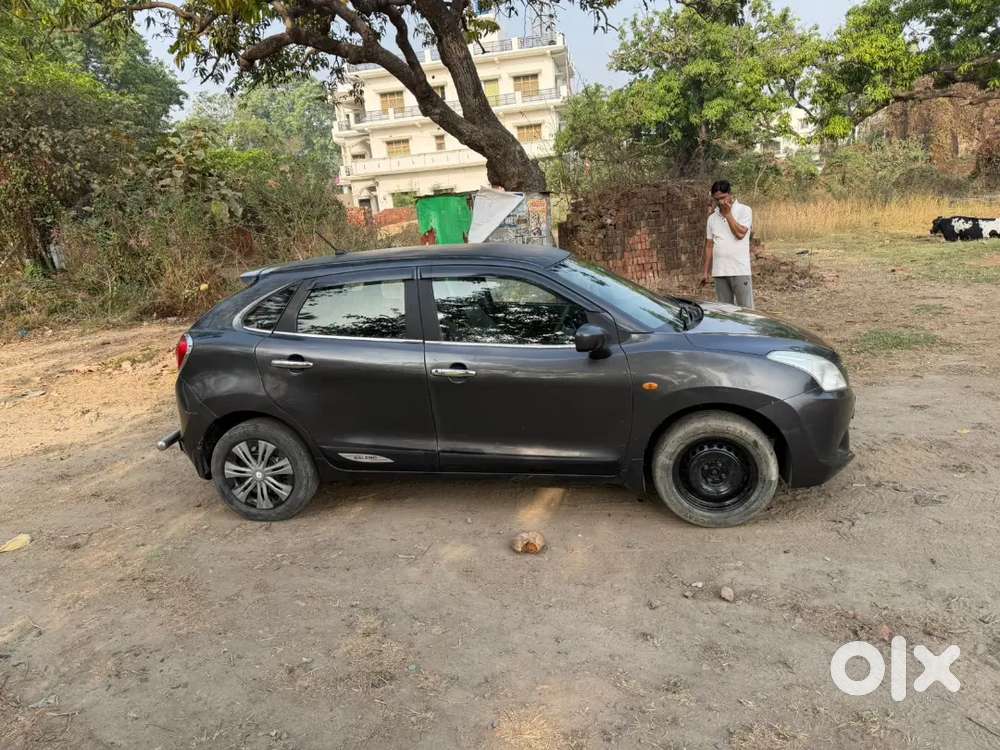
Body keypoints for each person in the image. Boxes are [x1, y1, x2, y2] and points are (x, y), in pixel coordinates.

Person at [702, 180, 754, 309]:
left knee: (746, 311)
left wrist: (728, 214)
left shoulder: (744, 210)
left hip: (739, 269)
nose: (720, 202)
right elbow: (709, 245)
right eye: (716, 199)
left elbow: (740, 234)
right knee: (725, 312)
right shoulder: (712, 218)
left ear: (730, 194)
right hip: (720, 271)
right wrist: (705, 272)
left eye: (723, 198)